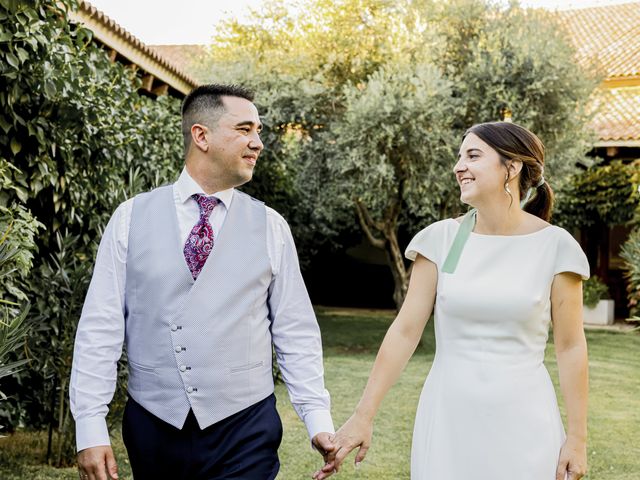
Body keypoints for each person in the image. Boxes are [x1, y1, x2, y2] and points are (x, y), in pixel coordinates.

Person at [70, 84, 335, 480]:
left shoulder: (272, 227)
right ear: (201, 135)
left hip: (245, 428)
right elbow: (100, 326)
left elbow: (295, 332)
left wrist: (318, 420)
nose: (257, 142)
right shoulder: (129, 218)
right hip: (154, 426)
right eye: (245, 129)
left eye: (258, 131)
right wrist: (89, 427)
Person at [316, 122, 589, 480]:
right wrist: (362, 416)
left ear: (512, 166)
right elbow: (405, 331)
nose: (458, 166)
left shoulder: (556, 246)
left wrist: (577, 439)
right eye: (459, 157)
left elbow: (570, 347)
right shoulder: (442, 240)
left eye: (473, 156)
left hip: (526, 420)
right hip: (448, 418)